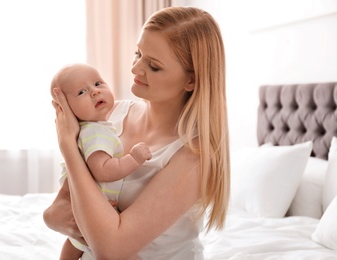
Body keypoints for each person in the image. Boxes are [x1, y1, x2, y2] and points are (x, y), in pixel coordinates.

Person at [44, 6, 230, 259]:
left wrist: (68, 146)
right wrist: (57, 217)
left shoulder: (193, 157)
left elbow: (111, 249)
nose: (135, 69)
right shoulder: (112, 115)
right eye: (138, 53)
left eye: (153, 66)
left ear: (191, 80)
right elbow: (56, 211)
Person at [49, 63, 152, 259]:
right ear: (66, 108)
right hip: (95, 208)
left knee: (74, 244)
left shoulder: (91, 130)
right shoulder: (95, 132)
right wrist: (134, 158)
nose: (95, 92)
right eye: (81, 91)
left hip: (85, 207)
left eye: (98, 83)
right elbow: (102, 170)